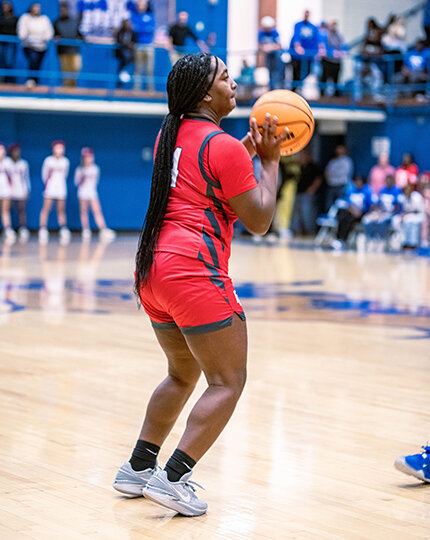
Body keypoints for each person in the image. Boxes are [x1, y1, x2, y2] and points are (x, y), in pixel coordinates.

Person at [112, 52, 288, 516]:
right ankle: (173, 478)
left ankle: (138, 467)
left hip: (152, 270)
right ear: (207, 94)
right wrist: (269, 161)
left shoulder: (170, 136)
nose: (235, 83)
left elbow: (205, 176)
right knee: (229, 380)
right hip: (193, 270)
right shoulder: (223, 146)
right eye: (227, 77)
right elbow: (260, 219)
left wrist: (246, 151)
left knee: (182, 372)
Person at [74, 147, 116, 242]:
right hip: (82, 193)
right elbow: (76, 182)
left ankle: (103, 229)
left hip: (92, 193)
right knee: (83, 211)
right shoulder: (79, 169)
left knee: (97, 210)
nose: (88, 159)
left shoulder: (95, 168)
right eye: (86, 157)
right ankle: (85, 230)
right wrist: (82, 177)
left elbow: (95, 182)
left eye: (90, 157)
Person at [39, 141, 70, 245]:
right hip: (50, 187)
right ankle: (43, 229)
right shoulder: (48, 161)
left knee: (61, 209)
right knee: (46, 208)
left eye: (61, 148)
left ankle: (63, 228)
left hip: (61, 188)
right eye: (57, 148)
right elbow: (44, 175)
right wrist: (48, 184)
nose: (59, 151)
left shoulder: (65, 161)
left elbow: (65, 175)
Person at [332, 175, 374, 250]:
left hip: (362, 214)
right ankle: (339, 239)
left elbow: (370, 206)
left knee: (349, 218)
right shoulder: (351, 190)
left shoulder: (367, 191)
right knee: (343, 215)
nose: (358, 183)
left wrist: (360, 212)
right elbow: (347, 204)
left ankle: (343, 239)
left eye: (360, 181)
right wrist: (352, 210)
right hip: (351, 212)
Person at [362, 174, 403, 249]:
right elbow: (378, 204)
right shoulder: (382, 190)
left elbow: (398, 206)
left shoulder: (397, 191)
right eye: (387, 180)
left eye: (390, 180)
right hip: (381, 212)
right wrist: (378, 211)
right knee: (367, 220)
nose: (388, 182)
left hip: (391, 213)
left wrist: (388, 213)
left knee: (381, 221)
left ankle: (381, 240)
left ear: (393, 181)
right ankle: (370, 238)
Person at [17, 3, 53, 86]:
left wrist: (43, 39)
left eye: (38, 8)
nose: (36, 9)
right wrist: (29, 39)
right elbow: (22, 33)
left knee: (38, 64)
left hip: (42, 47)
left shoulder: (44, 19)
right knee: (33, 61)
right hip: (29, 46)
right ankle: (30, 81)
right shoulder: (25, 18)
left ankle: (35, 82)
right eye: (35, 7)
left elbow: (49, 33)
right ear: (31, 8)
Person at [290, 149, 321, 236]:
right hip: (297, 192)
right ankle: (296, 230)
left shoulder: (313, 167)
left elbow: (318, 179)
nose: (302, 157)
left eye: (304, 155)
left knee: (307, 213)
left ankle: (309, 230)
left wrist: (312, 189)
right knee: (296, 213)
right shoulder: (298, 167)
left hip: (307, 194)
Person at [53, 2, 83, 88]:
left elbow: (80, 35)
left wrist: (80, 38)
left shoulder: (75, 21)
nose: (63, 11)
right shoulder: (56, 22)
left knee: (75, 69)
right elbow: (54, 36)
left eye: (65, 8)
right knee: (65, 72)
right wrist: (56, 38)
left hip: (74, 51)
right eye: (61, 9)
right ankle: (66, 90)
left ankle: (72, 89)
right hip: (63, 51)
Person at [127, 0, 155, 91]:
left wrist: (141, 29)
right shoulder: (134, 16)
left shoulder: (150, 17)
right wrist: (142, 29)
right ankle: (137, 88)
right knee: (138, 68)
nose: (141, 7)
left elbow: (150, 29)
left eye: (143, 5)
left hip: (149, 45)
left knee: (149, 69)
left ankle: (150, 89)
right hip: (138, 45)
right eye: (139, 5)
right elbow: (134, 29)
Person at [290, 10, 320, 89]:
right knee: (296, 73)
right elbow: (297, 37)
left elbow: (316, 39)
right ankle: (294, 89)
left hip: (308, 55)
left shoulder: (313, 27)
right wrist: (298, 47)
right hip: (297, 56)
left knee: (307, 72)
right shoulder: (298, 25)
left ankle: (299, 86)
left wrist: (317, 51)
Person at [8, 143, 30, 243]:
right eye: (14, 151)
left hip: (20, 190)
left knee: (21, 210)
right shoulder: (7, 163)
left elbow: (26, 178)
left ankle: (23, 228)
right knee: (7, 210)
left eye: (18, 151)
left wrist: (27, 190)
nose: (17, 153)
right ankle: (8, 229)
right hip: (8, 191)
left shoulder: (23, 164)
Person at [394, 181, 424, 250]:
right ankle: (403, 242)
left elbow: (417, 211)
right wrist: (403, 215)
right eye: (405, 190)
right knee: (397, 220)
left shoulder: (416, 196)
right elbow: (404, 210)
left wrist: (406, 215)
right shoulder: (404, 197)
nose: (407, 191)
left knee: (409, 221)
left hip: (419, 215)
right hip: (409, 215)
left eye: (408, 189)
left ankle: (412, 244)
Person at [319, 20, 347, 96]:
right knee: (324, 79)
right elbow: (323, 48)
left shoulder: (339, 36)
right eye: (332, 25)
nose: (334, 27)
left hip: (336, 62)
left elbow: (344, 46)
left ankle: (336, 95)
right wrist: (332, 52)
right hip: (327, 61)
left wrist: (342, 52)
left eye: (335, 25)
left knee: (336, 80)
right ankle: (322, 95)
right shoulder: (325, 35)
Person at [324, 144, 353, 210]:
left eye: (341, 149)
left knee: (341, 206)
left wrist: (335, 175)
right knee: (329, 207)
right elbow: (327, 173)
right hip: (331, 186)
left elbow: (345, 173)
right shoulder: (332, 162)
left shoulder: (347, 161)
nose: (339, 151)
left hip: (341, 187)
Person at [258, 16, 283, 91]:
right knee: (270, 72)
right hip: (268, 57)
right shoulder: (261, 33)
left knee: (278, 73)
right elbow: (260, 45)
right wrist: (265, 48)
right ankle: (271, 88)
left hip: (276, 57)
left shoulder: (275, 33)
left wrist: (269, 47)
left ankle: (278, 88)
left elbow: (279, 45)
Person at [0, 142, 15, 244]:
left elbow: (12, 177)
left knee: (5, 210)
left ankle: (7, 229)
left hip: (5, 190)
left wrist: (11, 190)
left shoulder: (8, 162)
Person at [114, 18, 136, 86]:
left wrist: (130, 45)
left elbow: (134, 41)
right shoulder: (120, 32)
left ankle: (124, 71)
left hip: (129, 52)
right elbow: (118, 41)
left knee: (128, 57)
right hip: (121, 51)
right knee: (124, 57)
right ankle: (121, 76)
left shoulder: (132, 32)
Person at [0, 1, 18, 83]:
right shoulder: (1, 18)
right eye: (4, 6)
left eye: (7, 6)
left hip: (10, 42)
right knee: (1, 62)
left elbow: (17, 31)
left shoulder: (15, 18)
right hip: (1, 42)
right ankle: (2, 81)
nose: (5, 8)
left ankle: (10, 81)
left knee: (9, 62)